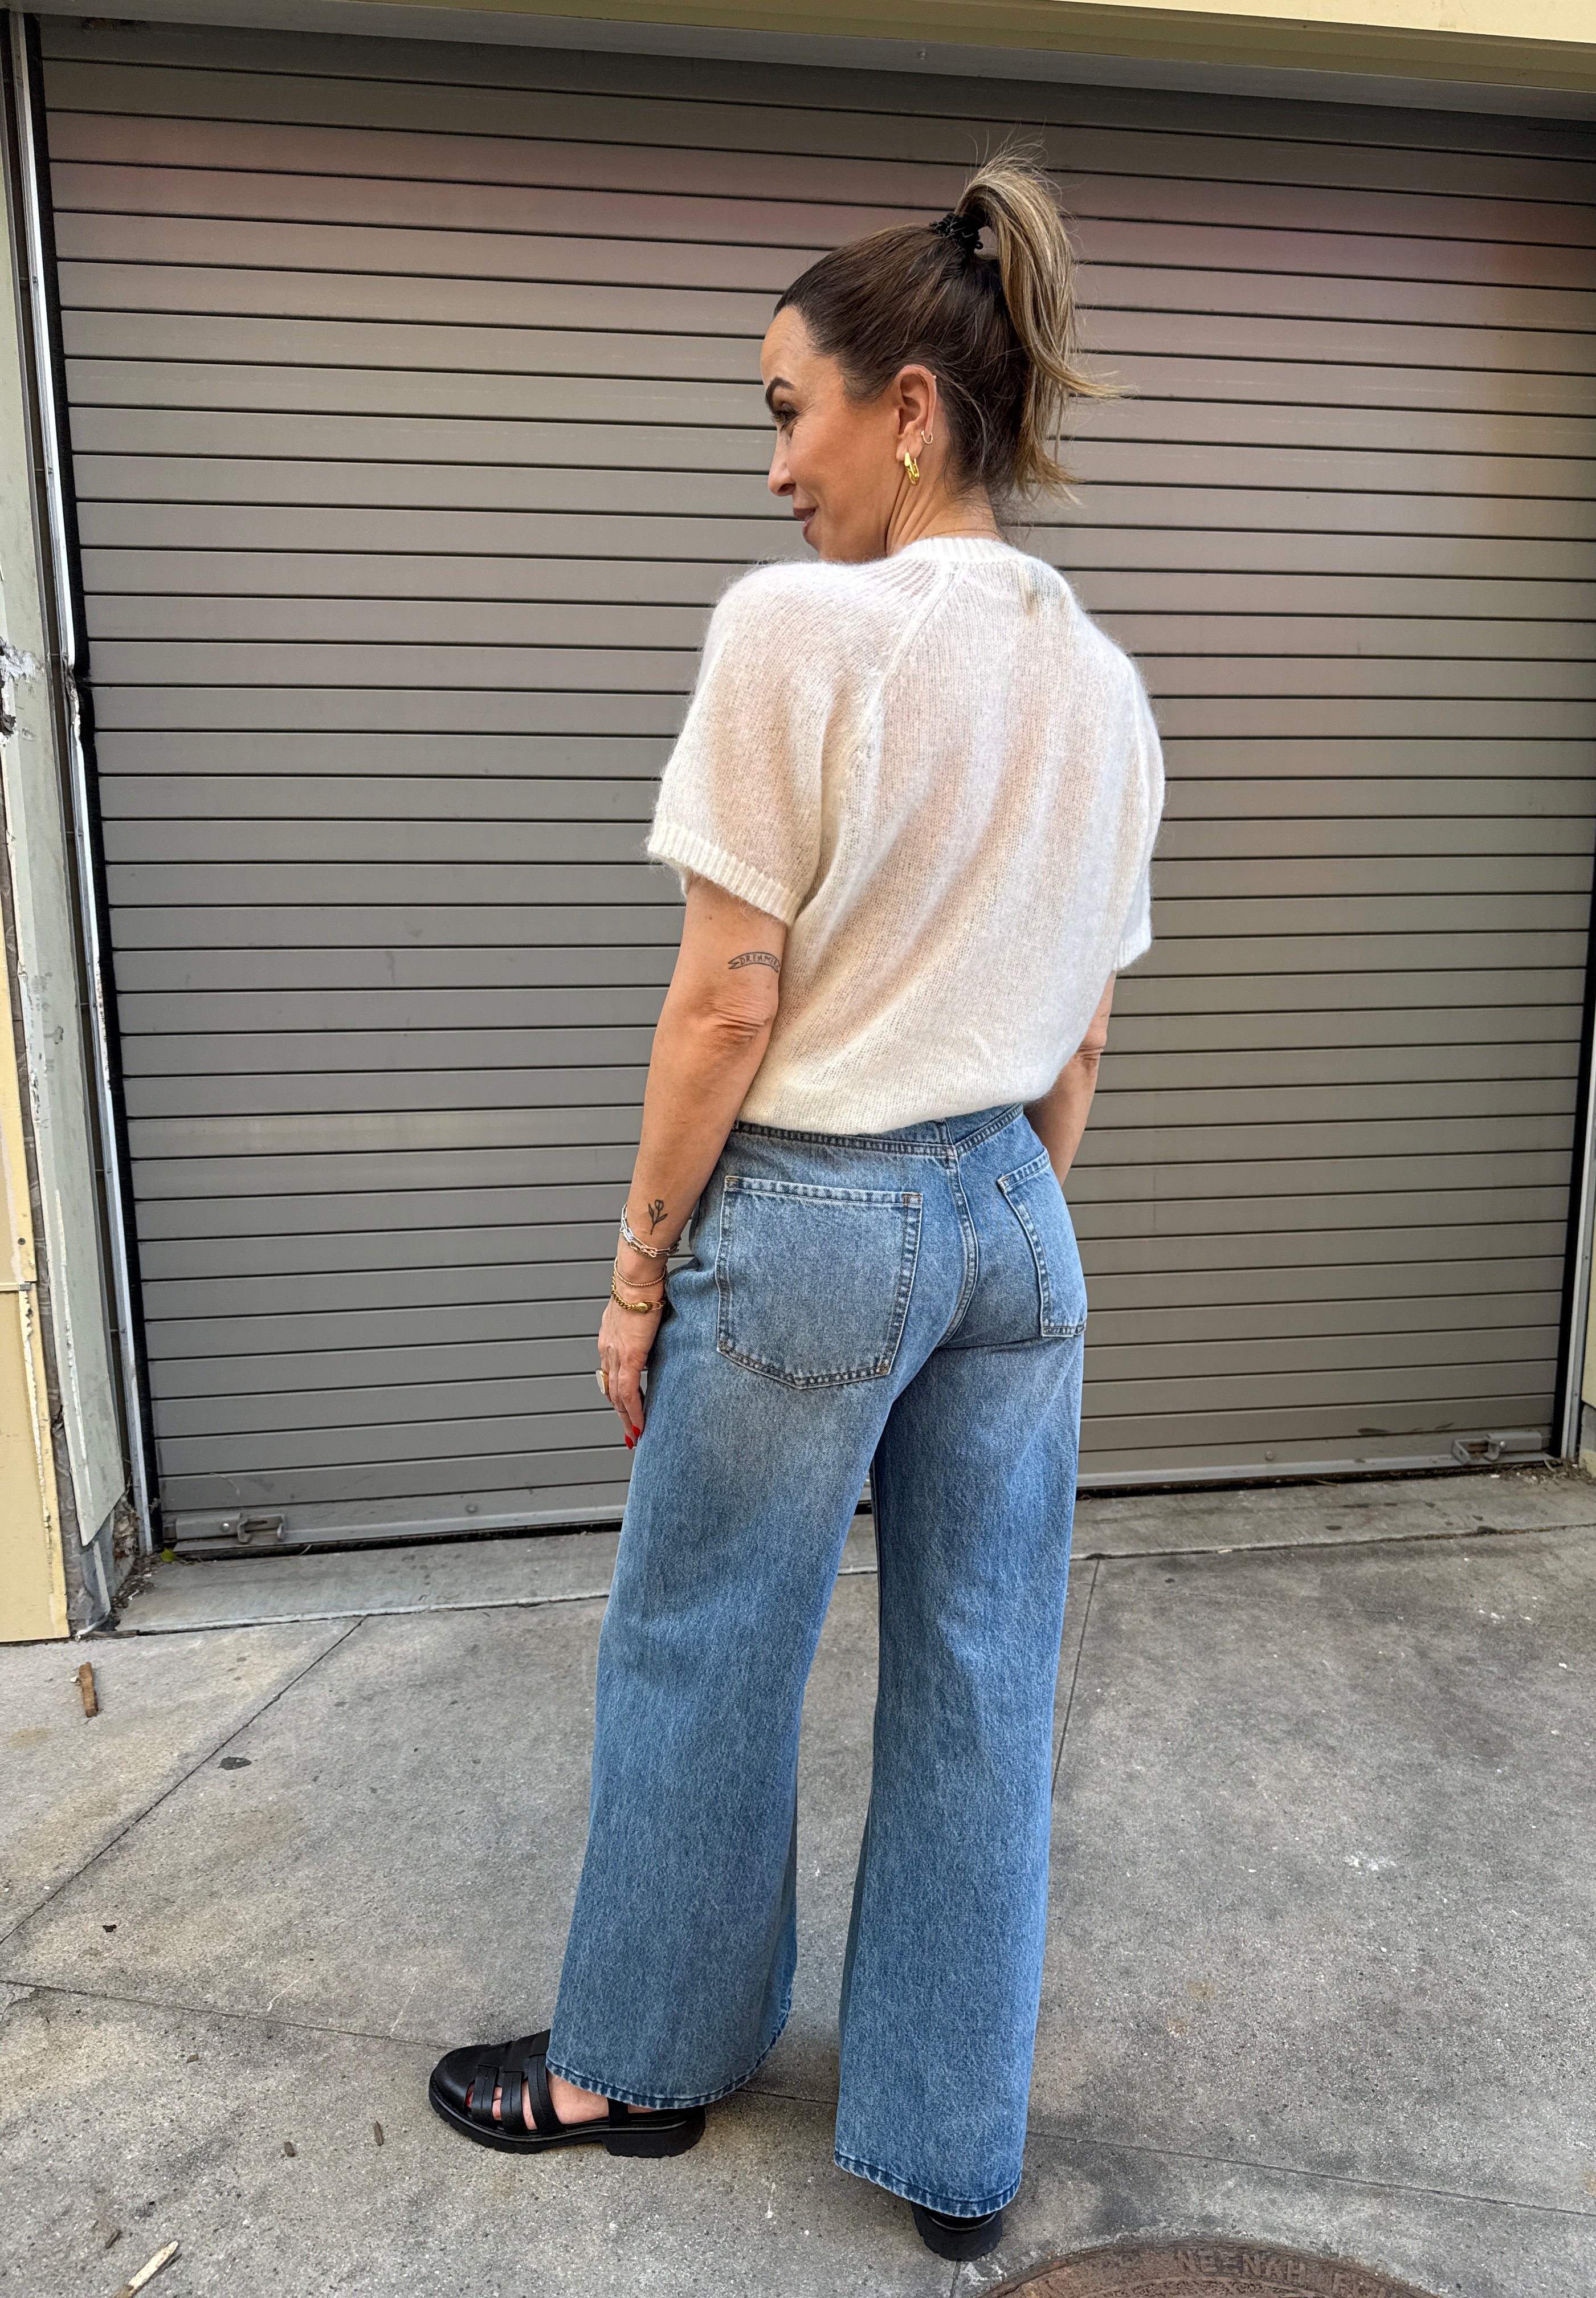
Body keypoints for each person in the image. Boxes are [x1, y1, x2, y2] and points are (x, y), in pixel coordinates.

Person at [430, 153, 1165, 2263]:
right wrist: (993, 1242)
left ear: (910, 407)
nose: (774, 467)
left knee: (703, 1643)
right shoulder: (1102, 688)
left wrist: (642, 1263)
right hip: (1025, 1226)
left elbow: (729, 994)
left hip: (817, 1216)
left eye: (786, 407)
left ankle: (633, 2065)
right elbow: (1081, 1046)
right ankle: (951, 2154)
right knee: (983, 1667)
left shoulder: (802, 633)